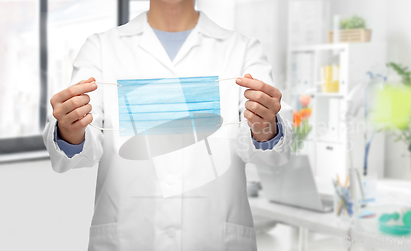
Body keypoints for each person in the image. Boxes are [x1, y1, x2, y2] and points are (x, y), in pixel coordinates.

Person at [43, 0, 293, 250]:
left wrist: (265, 125)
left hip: (214, 238)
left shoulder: (243, 50)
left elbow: (270, 153)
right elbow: (82, 151)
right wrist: (70, 129)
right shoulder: (100, 49)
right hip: (129, 237)